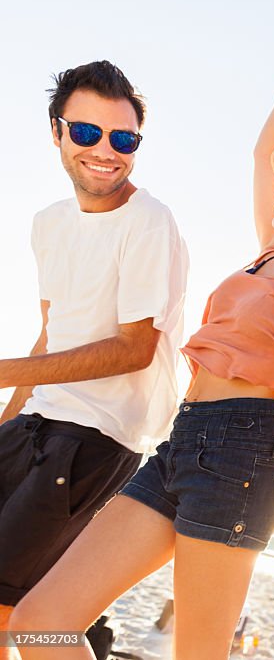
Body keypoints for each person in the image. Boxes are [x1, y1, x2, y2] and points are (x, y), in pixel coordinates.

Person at [10, 0, 274, 659]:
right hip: (183, 443)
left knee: (198, 651)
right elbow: (260, 155)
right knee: (42, 620)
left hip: (242, 453)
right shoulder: (265, 254)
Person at [0, 60, 188, 658]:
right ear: (56, 132)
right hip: (33, 425)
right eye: (86, 132)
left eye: (123, 138)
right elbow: (52, 332)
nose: (105, 150)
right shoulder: (48, 223)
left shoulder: (150, 222)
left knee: (16, 612)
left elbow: (135, 350)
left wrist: (5, 373)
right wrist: (9, 416)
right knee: (25, 616)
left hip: (96, 440)